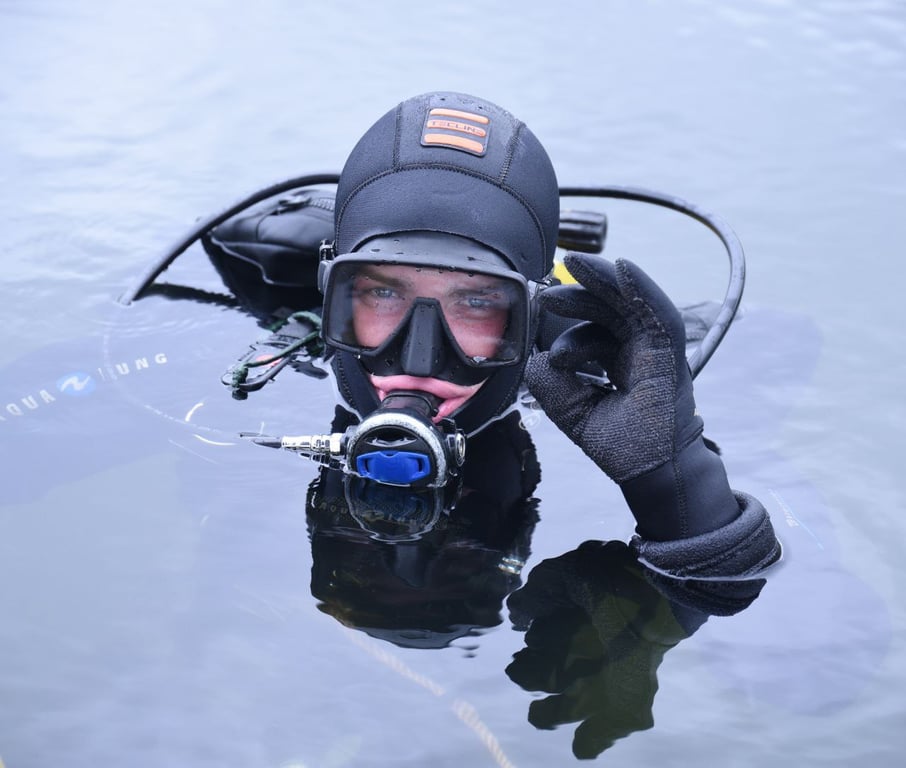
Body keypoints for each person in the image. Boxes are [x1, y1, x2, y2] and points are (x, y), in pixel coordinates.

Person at [316, 90, 781, 579]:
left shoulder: (614, 388)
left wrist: (679, 486)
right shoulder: (265, 370)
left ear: (533, 315)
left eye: (476, 302)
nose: (419, 357)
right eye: (383, 295)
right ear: (331, 291)